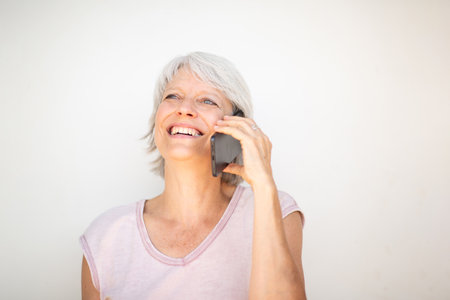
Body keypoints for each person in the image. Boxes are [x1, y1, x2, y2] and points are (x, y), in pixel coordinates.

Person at [80, 52, 306, 299]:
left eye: (207, 101)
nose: (184, 109)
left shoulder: (276, 210)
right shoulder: (106, 237)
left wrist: (264, 184)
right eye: (172, 96)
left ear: (238, 128)